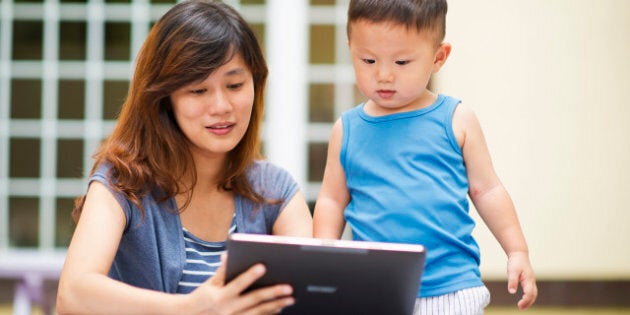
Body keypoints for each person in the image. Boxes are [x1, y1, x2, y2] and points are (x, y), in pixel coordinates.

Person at [56, 1, 313, 314]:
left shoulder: (275, 191)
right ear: (165, 99)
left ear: (256, 85)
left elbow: (316, 293)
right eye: (197, 90)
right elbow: (73, 294)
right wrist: (192, 308)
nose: (221, 106)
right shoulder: (121, 182)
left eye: (234, 85)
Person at [313, 0, 537, 314]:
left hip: (452, 288)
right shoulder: (347, 129)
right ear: (351, 49)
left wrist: (517, 250)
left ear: (438, 57)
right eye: (368, 60)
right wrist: (324, 254)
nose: (384, 75)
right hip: (373, 288)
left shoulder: (457, 119)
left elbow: (487, 190)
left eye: (402, 62)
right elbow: (331, 200)